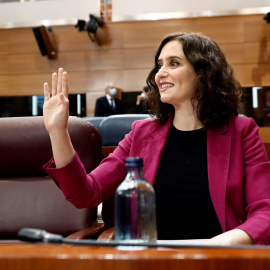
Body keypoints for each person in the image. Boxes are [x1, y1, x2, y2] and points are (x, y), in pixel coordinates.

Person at [43, 32, 270, 245]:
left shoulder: (241, 131)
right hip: (153, 261)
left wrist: (219, 244)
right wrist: (58, 131)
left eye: (174, 63)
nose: (160, 73)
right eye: (159, 65)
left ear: (204, 73)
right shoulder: (141, 133)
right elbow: (85, 193)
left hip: (218, 260)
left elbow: (265, 211)